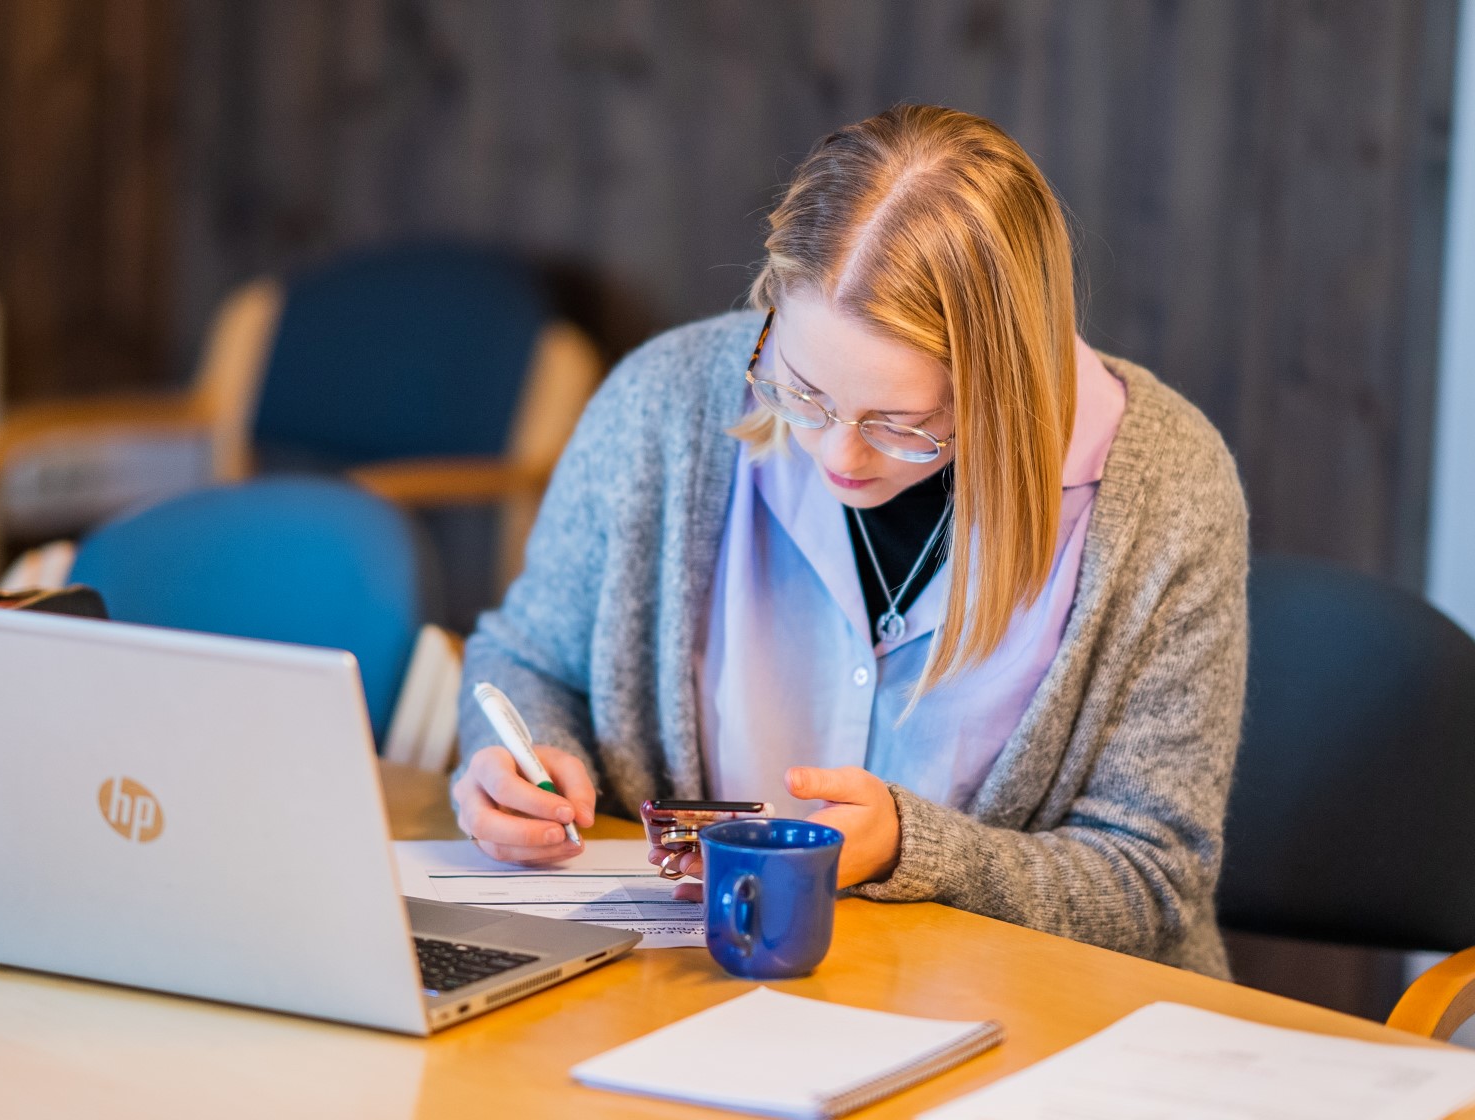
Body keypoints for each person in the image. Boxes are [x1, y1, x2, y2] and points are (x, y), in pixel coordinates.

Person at [451, 104, 1247, 977]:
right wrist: (519, 761)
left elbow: (1153, 876)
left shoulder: (1163, 486)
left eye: (899, 423)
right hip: (697, 992)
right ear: (771, 306)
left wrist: (916, 850)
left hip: (1036, 1016)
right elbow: (527, 657)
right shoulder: (663, 403)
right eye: (802, 391)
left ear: (1005, 385)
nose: (837, 455)